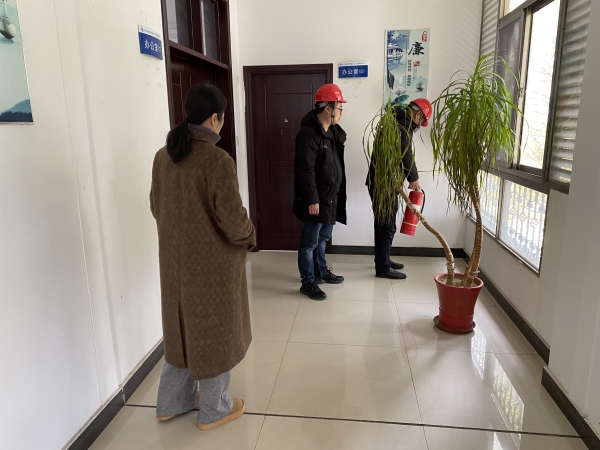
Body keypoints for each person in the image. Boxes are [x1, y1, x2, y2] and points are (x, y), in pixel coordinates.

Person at [150, 83, 256, 431]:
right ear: (214, 118)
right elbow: (233, 219)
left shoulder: (163, 156)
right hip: (212, 267)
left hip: (173, 265)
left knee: (180, 331)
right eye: (222, 118)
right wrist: (250, 236)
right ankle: (214, 409)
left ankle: (170, 403)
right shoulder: (216, 160)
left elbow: (155, 206)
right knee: (214, 334)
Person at [293, 84, 348, 301]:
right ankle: (308, 282)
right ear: (328, 108)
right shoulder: (308, 134)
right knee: (309, 243)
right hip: (315, 200)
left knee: (323, 238)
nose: (341, 113)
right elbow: (304, 170)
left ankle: (320, 271)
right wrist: (312, 199)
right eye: (340, 108)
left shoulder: (332, 133)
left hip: (330, 198)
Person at [366, 98, 432, 279]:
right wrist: (414, 178)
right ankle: (383, 267)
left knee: (384, 223)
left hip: (383, 181)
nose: (418, 125)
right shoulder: (403, 124)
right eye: (420, 121)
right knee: (386, 225)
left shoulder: (395, 119)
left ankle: (383, 259)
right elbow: (406, 152)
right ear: (418, 114)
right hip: (384, 184)